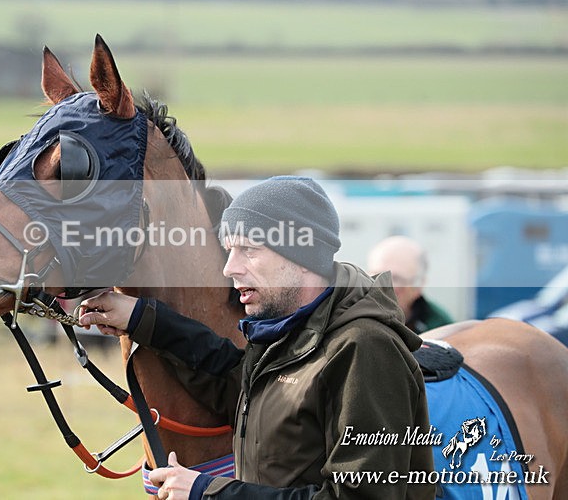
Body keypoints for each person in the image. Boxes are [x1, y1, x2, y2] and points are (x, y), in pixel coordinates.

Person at [80, 176, 434, 500]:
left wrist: (208, 492)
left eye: (248, 249)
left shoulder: (364, 350)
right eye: (230, 250)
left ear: (302, 257)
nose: (229, 267)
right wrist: (143, 320)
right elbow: (239, 386)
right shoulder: (287, 331)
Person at [367, 235, 453, 334]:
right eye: (377, 275)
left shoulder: (439, 327)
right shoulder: (350, 314)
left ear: (419, 286)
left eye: (396, 279)